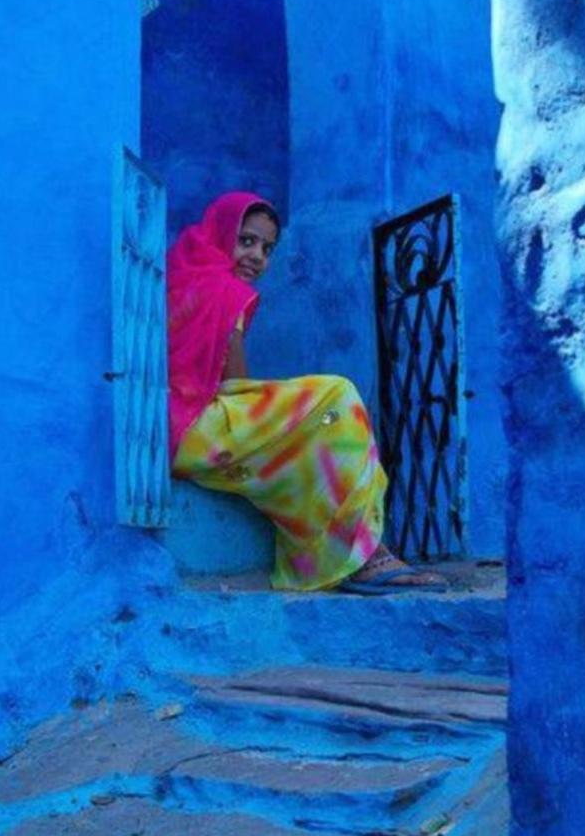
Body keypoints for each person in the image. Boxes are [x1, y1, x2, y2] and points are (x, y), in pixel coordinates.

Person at [167, 191, 447, 593]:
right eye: (246, 240)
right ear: (219, 233)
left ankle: (360, 551)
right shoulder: (225, 292)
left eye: (267, 248)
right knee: (337, 399)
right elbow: (235, 389)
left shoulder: (185, 279)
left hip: (183, 434)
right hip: (201, 429)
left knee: (325, 425)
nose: (257, 256)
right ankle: (362, 554)